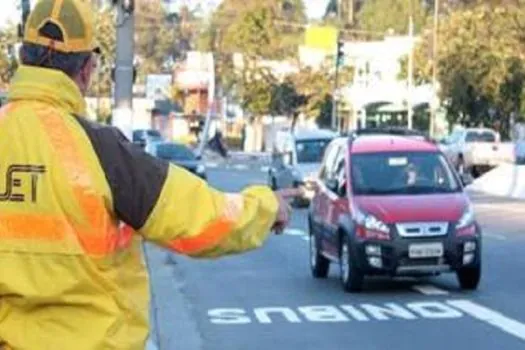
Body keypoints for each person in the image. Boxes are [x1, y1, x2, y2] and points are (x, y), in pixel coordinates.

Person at [0, 1, 302, 349]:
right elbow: (197, 217)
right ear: (86, 69)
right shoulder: (100, 150)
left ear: (23, 56)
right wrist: (265, 208)